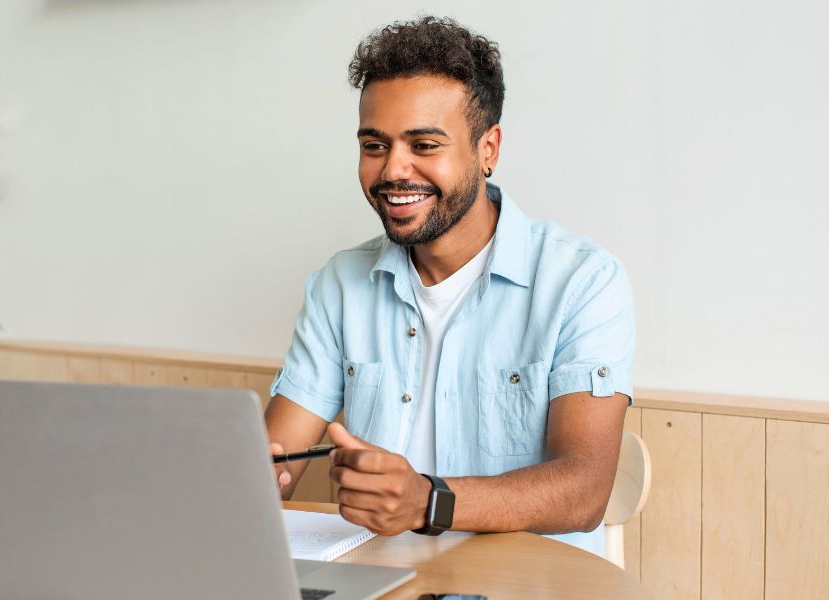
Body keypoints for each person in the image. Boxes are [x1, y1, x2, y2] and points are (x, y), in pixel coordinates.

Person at [264, 16, 635, 555]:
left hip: (526, 588)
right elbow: (276, 461)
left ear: (488, 149)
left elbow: (583, 492)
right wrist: (250, 482)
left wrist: (427, 501)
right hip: (381, 583)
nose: (394, 170)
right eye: (375, 145)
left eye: (425, 144)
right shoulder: (338, 284)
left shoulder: (583, 282)